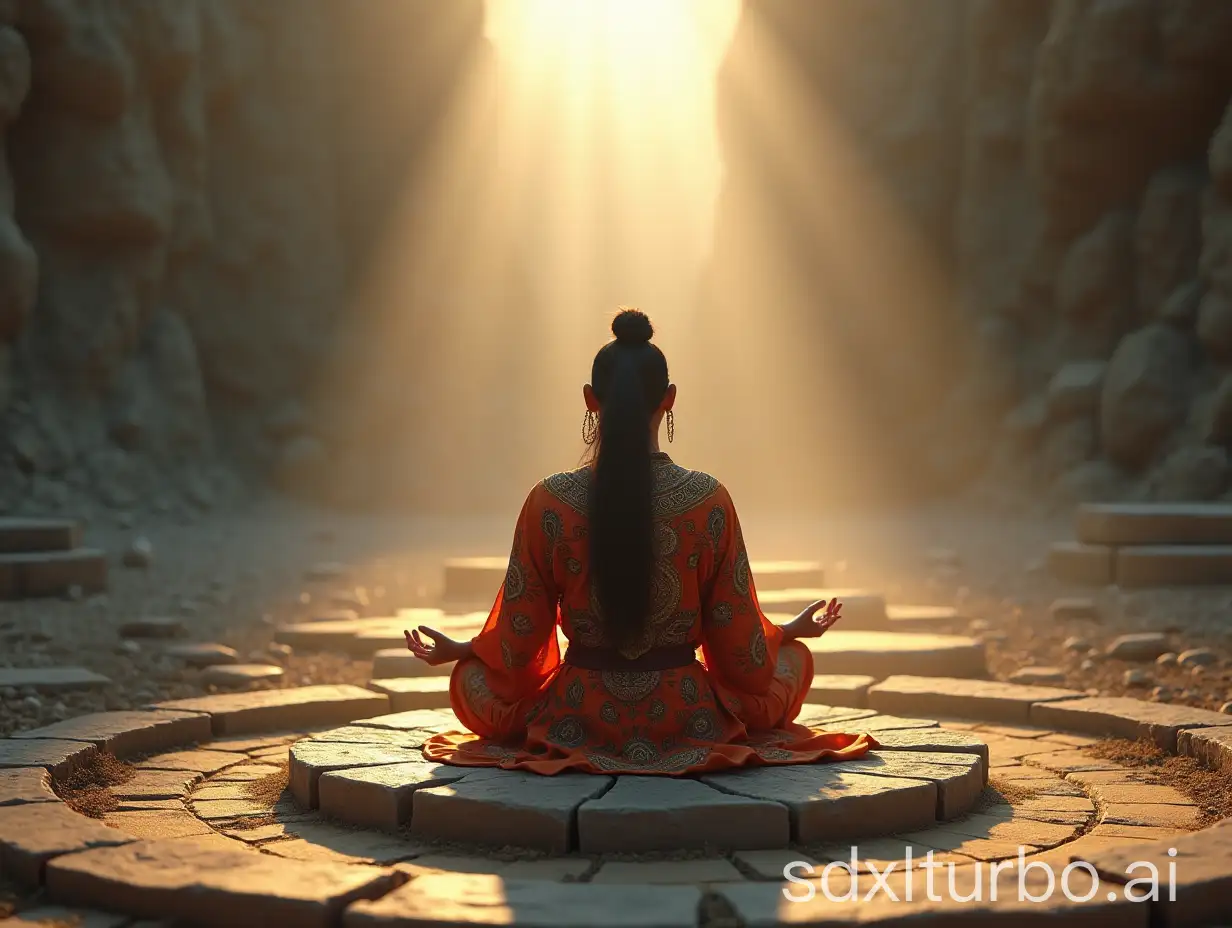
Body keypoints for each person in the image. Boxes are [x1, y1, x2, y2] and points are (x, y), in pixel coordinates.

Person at [405, 308, 877, 774]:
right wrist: (787, 634)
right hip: (687, 715)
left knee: (470, 681)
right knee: (794, 660)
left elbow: (518, 642)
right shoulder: (707, 500)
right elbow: (739, 648)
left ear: (590, 400)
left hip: (576, 714)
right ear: (669, 399)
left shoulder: (549, 501)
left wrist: (465, 650)